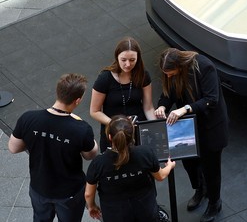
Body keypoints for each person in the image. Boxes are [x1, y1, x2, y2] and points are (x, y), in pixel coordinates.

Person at [8, 73, 98, 222]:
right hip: (69, 192)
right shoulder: (81, 129)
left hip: (39, 187)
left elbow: (13, 148)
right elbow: (90, 154)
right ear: (77, 100)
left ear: (58, 92)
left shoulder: (29, 118)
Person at [155, 48, 229, 222]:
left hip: (210, 125)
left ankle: (214, 202)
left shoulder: (204, 67)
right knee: (189, 162)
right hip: (188, 126)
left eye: (170, 73)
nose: (169, 77)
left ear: (179, 66)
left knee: (211, 167)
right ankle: (199, 189)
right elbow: (169, 93)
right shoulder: (174, 74)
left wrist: (184, 109)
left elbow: (212, 99)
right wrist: (162, 105)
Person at [85, 115, 176, 222]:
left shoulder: (99, 163)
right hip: (145, 211)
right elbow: (160, 176)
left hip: (115, 215)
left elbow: (88, 193)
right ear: (132, 135)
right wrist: (170, 166)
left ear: (109, 137)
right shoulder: (145, 153)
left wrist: (92, 206)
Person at [90, 36, 156, 152]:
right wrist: (117, 124)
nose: (128, 64)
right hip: (114, 131)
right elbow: (94, 111)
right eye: (123, 60)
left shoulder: (143, 75)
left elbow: (148, 107)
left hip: (138, 129)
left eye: (132, 60)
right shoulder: (105, 78)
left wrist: (155, 127)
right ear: (117, 57)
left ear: (138, 58)